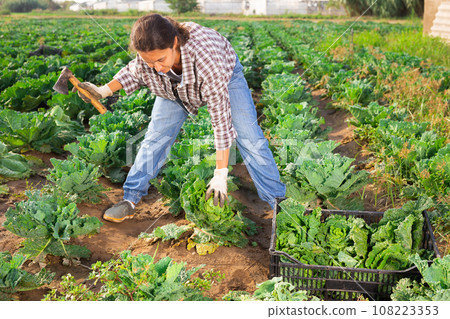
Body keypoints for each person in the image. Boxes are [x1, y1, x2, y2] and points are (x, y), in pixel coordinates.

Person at [76, 14, 286, 223]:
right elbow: (134, 72)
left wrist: (220, 173)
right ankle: (130, 200)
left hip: (227, 78)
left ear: (175, 43)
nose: (156, 67)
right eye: (150, 62)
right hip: (173, 89)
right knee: (155, 137)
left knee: (249, 136)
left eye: (160, 60)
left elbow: (221, 122)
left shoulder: (207, 60)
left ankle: (278, 203)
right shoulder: (150, 57)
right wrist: (102, 91)